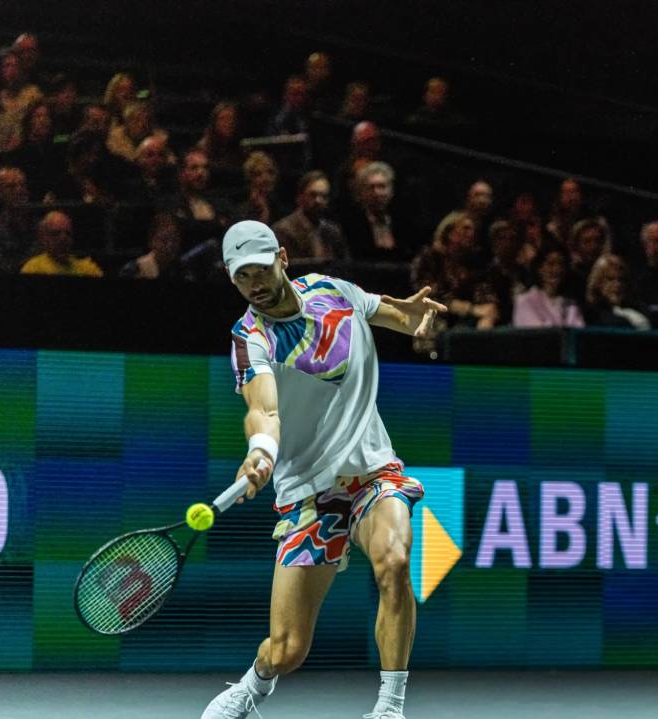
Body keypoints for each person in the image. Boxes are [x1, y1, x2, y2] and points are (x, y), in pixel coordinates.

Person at [200, 219, 445, 719]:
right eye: (241, 277)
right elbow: (263, 409)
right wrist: (262, 451)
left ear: (283, 258)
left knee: (395, 562)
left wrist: (415, 319)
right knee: (286, 650)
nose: (254, 284)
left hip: (374, 472)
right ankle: (253, 687)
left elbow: (389, 312)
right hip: (308, 493)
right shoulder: (250, 337)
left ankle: (389, 707)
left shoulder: (334, 291)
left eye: (261, 270)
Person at [272, 170, 349, 269]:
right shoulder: (283, 231)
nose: (318, 200)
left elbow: (345, 267)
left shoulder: (332, 232)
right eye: (313, 195)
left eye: (323, 196)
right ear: (300, 197)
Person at [512, 244, 584, 328]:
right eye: (551, 264)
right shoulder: (525, 301)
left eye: (561, 264)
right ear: (540, 268)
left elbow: (578, 331)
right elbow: (535, 333)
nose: (557, 269)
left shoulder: (570, 304)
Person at [20, 210, 104, 277]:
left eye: (67, 233)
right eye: (56, 233)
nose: (63, 239)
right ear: (43, 238)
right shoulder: (33, 269)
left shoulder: (87, 268)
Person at [584, 254, 650, 329]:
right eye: (610, 279)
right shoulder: (591, 314)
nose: (618, 285)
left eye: (621, 279)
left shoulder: (640, 309)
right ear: (598, 283)